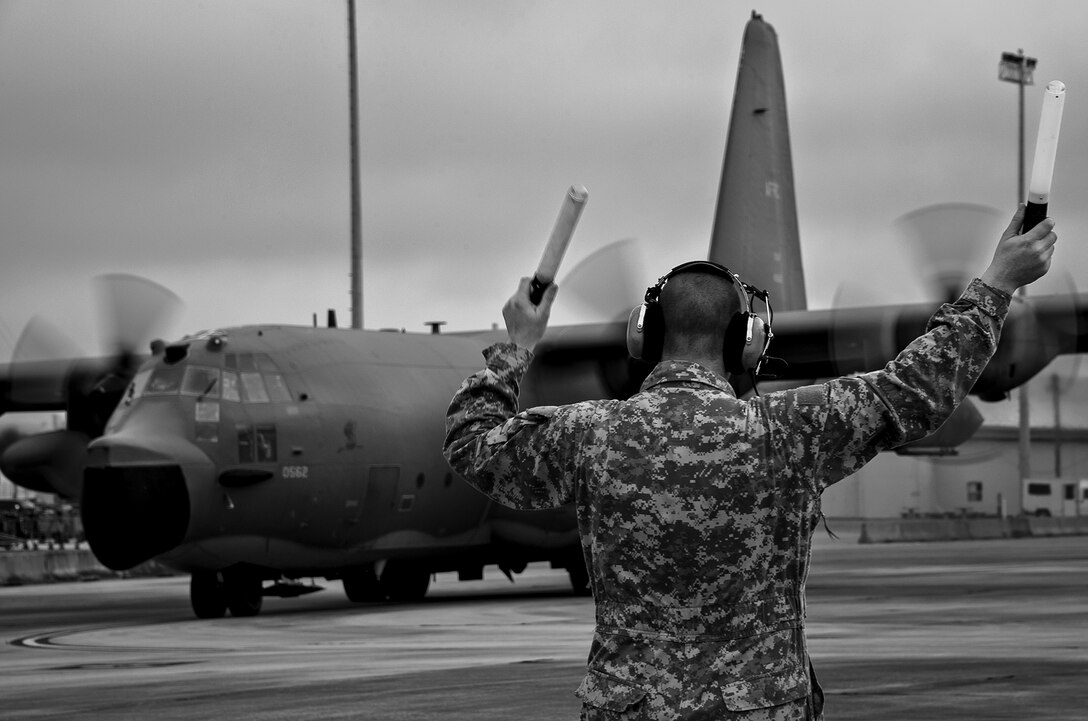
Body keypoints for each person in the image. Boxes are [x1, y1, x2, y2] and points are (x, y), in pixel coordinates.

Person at [443, 204, 1056, 720]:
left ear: (646, 336)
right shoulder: (785, 430)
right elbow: (913, 390)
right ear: (748, 342)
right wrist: (995, 285)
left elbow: (472, 443)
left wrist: (516, 345)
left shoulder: (590, 434)